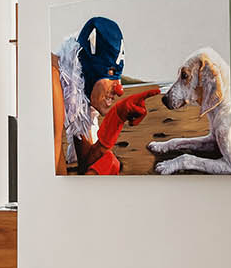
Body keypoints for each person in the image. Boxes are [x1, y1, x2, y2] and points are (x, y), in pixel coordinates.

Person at [50, 16, 157, 176]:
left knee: (108, 161)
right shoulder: (52, 80)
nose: (119, 89)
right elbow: (50, 179)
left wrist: (117, 118)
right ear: (88, 68)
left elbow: (87, 162)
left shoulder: (77, 91)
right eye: (111, 72)